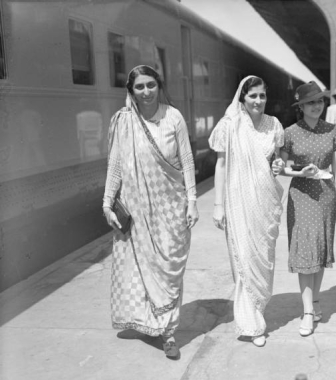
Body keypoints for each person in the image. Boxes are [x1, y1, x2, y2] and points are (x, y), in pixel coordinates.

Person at [103, 65, 199, 359]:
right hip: (137, 207)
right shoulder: (123, 121)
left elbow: (186, 159)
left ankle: (167, 327)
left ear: (160, 86)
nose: (146, 92)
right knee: (141, 267)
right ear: (131, 91)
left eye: (151, 85)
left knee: (168, 269)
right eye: (139, 87)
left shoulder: (173, 117)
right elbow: (116, 164)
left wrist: (193, 200)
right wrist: (107, 201)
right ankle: (165, 332)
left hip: (171, 207)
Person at [209, 76, 284, 348]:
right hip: (238, 202)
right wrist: (218, 205)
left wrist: (278, 164)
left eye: (262, 96)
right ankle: (251, 324)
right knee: (244, 261)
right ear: (242, 97)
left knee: (263, 259)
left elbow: (278, 159)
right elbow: (220, 165)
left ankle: (258, 311)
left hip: (265, 202)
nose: (258, 101)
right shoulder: (229, 126)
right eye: (253, 96)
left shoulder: (274, 125)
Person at [273, 81, 336, 337]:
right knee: (305, 253)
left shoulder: (332, 130)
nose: (317, 106)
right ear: (301, 107)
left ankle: (315, 302)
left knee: (321, 250)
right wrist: (298, 171)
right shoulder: (290, 132)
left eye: (319, 101)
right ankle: (306, 312)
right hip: (301, 195)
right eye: (310, 102)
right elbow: (280, 168)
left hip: (326, 196)